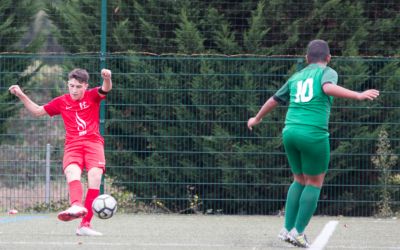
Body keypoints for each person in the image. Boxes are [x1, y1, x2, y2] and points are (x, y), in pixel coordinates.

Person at [247, 40, 379, 248]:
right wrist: (358, 95)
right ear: (328, 58)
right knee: (314, 183)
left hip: (289, 132)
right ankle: (298, 232)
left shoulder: (296, 76)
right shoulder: (327, 72)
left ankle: (286, 229)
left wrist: (256, 118)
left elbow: (274, 100)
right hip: (312, 134)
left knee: (299, 179)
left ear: (307, 58)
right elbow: (327, 88)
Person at [9, 68, 112, 236]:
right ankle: (76, 205)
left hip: (93, 143)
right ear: (68, 85)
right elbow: (37, 111)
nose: (74, 90)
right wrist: (21, 94)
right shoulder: (61, 101)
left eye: (78, 86)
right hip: (73, 144)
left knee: (95, 177)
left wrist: (107, 78)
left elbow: (106, 88)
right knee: (72, 171)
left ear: (85, 86)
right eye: (71, 86)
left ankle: (85, 225)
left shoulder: (92, 95)